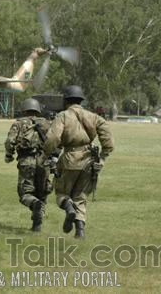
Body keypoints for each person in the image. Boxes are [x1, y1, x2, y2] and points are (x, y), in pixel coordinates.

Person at [43, 85, 114, 239]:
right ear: (81, 100)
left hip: (69, 158)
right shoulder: (94, 117)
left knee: (62, 193)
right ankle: (80, 231)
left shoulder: (62, 116)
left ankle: (68, 208)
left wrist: (46, 153)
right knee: (80, 197)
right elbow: (108, 142)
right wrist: (102, 158)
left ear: (66, 100)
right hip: (89, 161)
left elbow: (53, 139)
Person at [4, 98, 53, 232]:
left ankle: (34, 204)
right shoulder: (47, 123)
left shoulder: (19, 123)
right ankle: (37, 226)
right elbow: (55, 141)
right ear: (37, 109)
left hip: (26, 161)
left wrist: (9, 155)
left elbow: (10, 141)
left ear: (24, 110)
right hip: (44, 161)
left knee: (25, 193)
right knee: (42, 193)